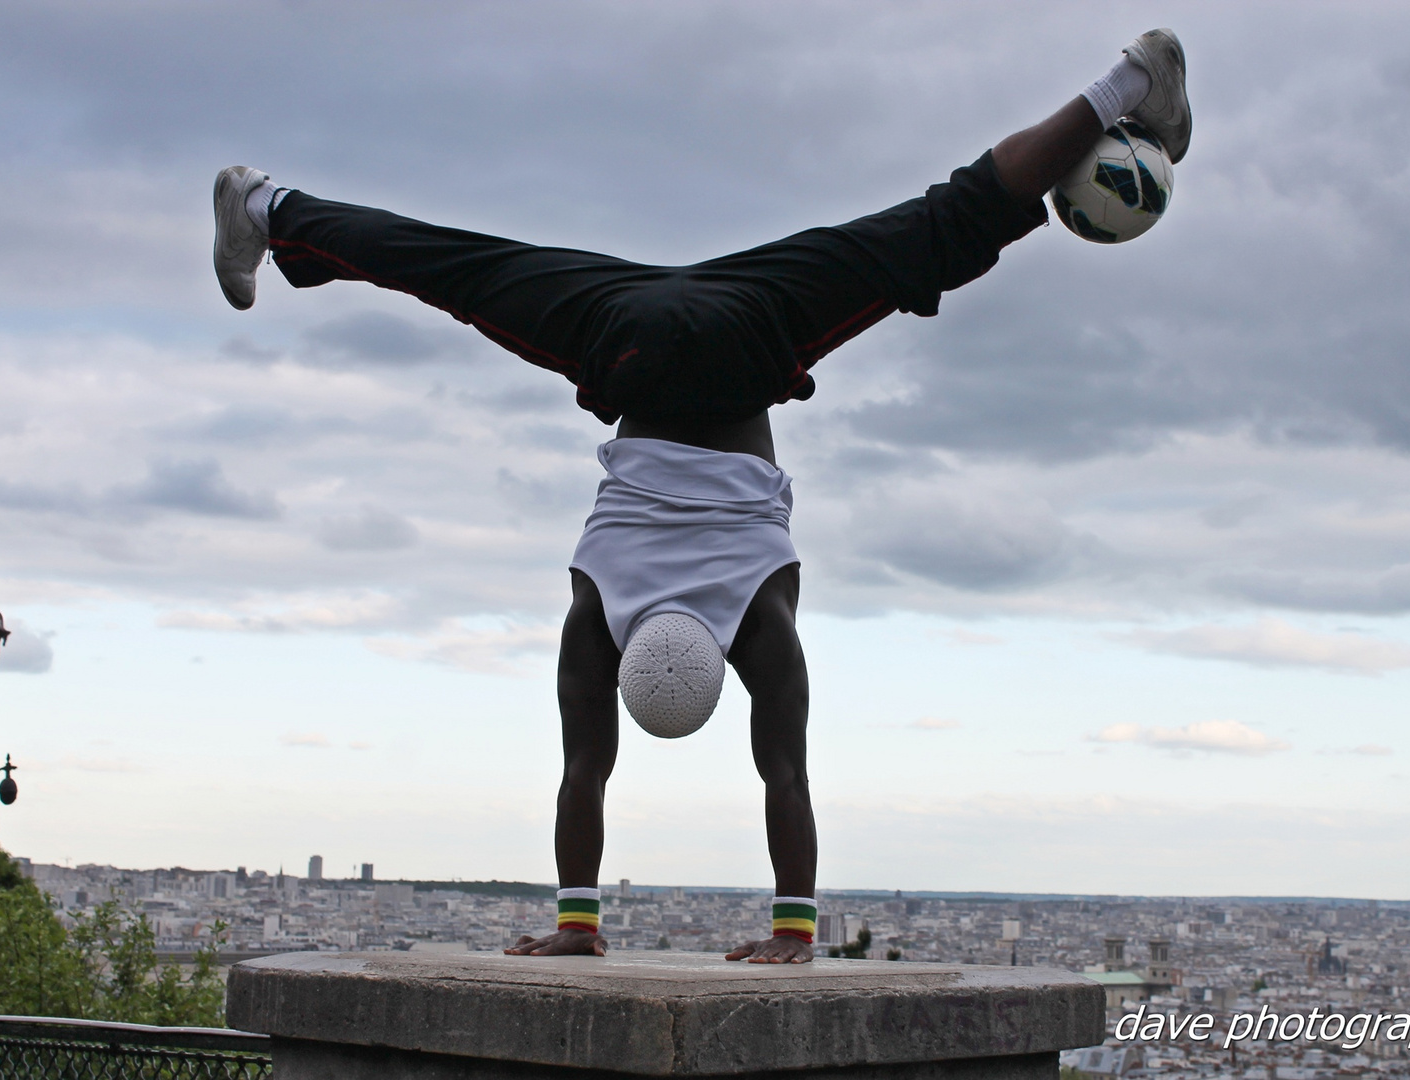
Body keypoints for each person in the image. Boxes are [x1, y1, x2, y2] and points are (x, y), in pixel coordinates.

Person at [212, 30, 1190, 963]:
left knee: (941, 228)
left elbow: (783, 778)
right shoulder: (602, 607)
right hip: (626, 330)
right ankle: (269, 204)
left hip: (749, 329)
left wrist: (793, 931)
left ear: (712, 665)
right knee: (451, 265)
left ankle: (1123, 84)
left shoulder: (761, 608)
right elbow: (587, 776)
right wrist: (577, 920)